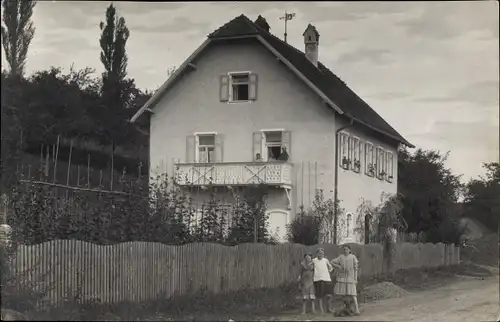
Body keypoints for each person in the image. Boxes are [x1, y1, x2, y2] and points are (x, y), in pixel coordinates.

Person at [330, 244, 361, 316]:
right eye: (344, 249)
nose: (345, 250)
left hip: (350, 278)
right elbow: (332, 262)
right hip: (342, 277)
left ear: (350, 250)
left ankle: (357, 309)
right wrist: (338, 266)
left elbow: (356, 269)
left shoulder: (353, 257)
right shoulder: (341, 257)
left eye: (347, 249)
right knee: (343, 294)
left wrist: (355, 279)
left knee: (353, 294)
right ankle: (344, 309)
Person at [312, 248, 334, 313]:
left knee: (329, 295)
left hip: (327, 279)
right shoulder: (314, 260)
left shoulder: (326, 260)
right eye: (319, 253)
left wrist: (329, 271)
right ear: (317, 254)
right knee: (320, 295)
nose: (321, 254)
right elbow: (309, 266)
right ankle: (321, 309)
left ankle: (329, 308)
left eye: (322, 253)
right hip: (318, 279)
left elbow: (331, 268)